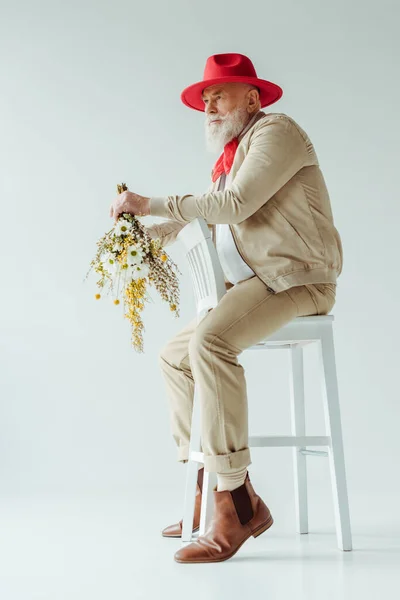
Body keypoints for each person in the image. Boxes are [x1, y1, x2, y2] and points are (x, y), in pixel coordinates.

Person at [109, 52, 342, 564]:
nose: (209, 104)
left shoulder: (275, 133)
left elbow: (234, 205)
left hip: (298, 279)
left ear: (252, 98)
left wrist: (152, 204)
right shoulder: (233, 154)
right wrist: (146, 236)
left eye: (221, 93)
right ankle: (208, 490)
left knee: (210, 341)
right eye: (205, 98)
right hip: (261, 284)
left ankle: (233, 505)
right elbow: (214, 213)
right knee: (175, 356)